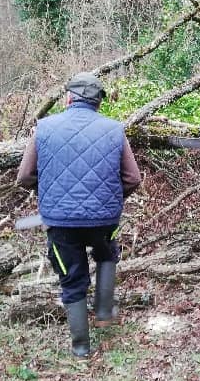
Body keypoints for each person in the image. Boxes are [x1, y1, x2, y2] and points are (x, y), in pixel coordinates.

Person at [17, 72, 142, 358]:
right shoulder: (114, 129)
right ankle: (103, 312)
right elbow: (133, 178)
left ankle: (81, 348)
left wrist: (48, 193)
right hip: (104, 219)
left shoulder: (44, 127)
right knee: (107, 254)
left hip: (60, 221)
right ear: (98, 102)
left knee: (72, 280)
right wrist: (110, 198)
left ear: (69, 98)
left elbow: (24, 176)